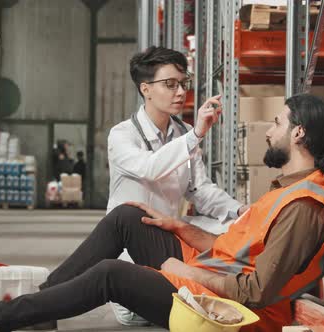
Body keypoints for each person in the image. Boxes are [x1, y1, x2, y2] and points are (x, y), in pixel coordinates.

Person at [0, 94, 324, 332]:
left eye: (276, 122)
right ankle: (42, 306)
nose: (268, 129)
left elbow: (255, 292)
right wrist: (180, 227)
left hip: (230, 316)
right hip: (211, 277)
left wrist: (185, 273)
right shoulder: (283, 189)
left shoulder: (303, 206)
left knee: (110, 275)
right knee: (129, 216)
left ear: (298, 133)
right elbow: (236, 247)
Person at [107, 46, 247, 325]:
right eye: (170, 85)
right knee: (135, 316)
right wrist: (195, 135)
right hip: (133, 247)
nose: (181, 92)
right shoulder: (122, 135)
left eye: (184, 83)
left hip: (167, 242)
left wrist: (241, 211)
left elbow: (200, 191)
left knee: (232, 233)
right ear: (145, 88)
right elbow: (151, 168)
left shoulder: (183, 133)